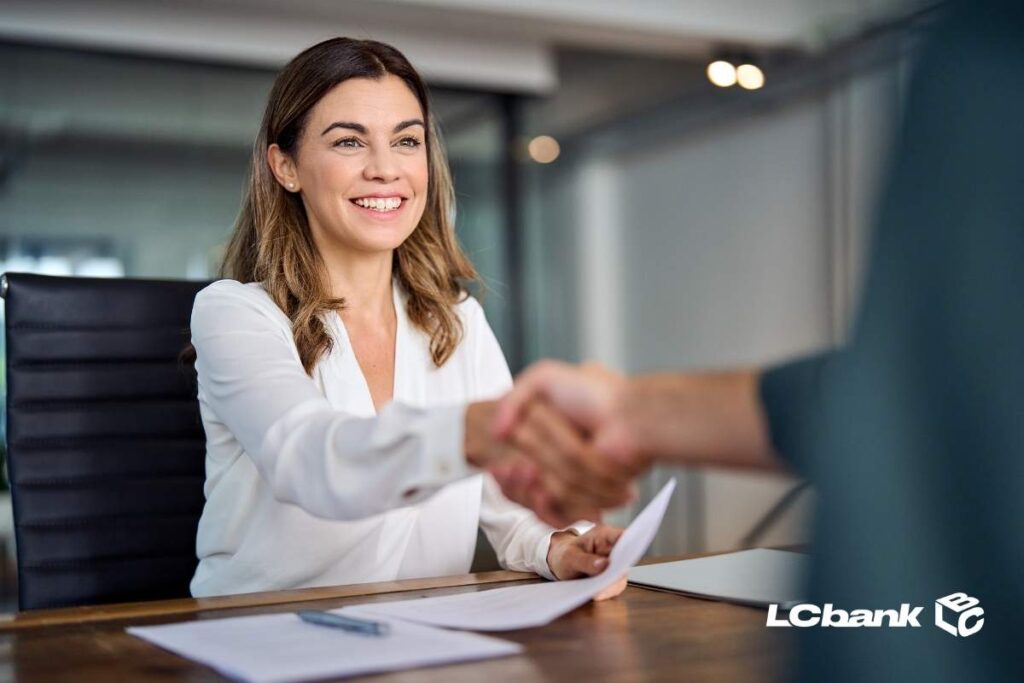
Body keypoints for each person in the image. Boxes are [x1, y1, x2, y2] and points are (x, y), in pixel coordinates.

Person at [490, 1, 1023, 681]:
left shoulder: (988, 55)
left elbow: (935, 392)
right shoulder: (986, 49)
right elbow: (924, 382)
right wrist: (632, 410)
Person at [187, 37, 631, 598]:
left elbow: (506, 498)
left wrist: (560, 545)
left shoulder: (457, 320)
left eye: (406, 140)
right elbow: (310, 462)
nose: (385, 169)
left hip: (423, 637)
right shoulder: (236, 313)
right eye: (349, 141)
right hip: (266, 637)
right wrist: (470, 433)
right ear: (286, 166)